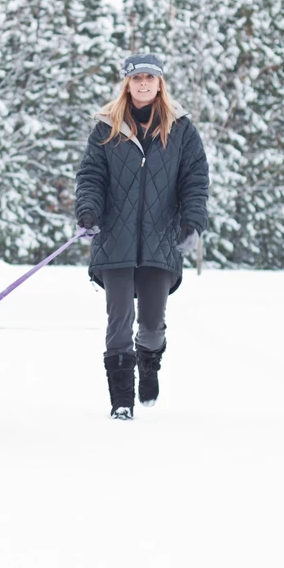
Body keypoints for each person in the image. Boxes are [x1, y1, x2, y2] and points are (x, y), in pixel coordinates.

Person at [74, 53, 209, 420]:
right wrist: (88, 211)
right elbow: (91, 177)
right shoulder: (107, 128)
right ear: (127, 84)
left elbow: (195, 180)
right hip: (114, 239)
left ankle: (149, 363)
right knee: (118, 319)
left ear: (160, 82)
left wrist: (192, 221)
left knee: (150, 324)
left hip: (161, 240)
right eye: (136, 78)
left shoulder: (181, 129)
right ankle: (121, 400)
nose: (143, 83)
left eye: (150, 77)